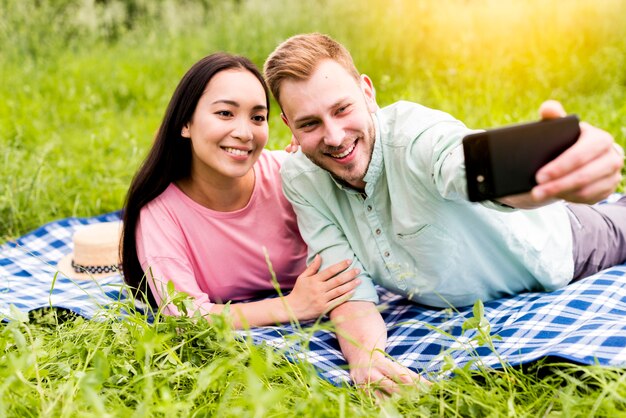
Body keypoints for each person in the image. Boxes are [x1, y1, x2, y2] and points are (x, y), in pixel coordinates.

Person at [263, 33, 626, 391]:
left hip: (562, 248)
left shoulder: (416, 135)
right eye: (309, 123)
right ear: (289, 126)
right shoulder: (300, 177)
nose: (335, 136)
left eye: (342, 109)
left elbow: (464, 163)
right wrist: (366, 359)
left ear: (367, 92)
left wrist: (545, 170)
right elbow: (343, 283)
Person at [121, 53, 361, 328]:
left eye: (258, 117)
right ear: (185, 123)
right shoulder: (161, 211)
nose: (245, 133)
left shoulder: (291, 177)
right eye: (225, 113)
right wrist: (291, 306)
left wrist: (314, 154)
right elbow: (185, 314)